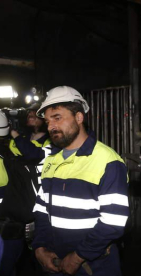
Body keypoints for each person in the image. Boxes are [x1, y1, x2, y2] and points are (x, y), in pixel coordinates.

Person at [32, 86, 129, 275]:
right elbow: (41, 208)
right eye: (47, 121)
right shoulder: (52, 159)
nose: (51, 126)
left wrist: (77, 257)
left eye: (57, 117)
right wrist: (40, 247)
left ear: (79, 117)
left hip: (95, 265)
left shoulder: (107, 161)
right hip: (54, 262)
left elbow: (113, 221)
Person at [0, 110, 37, 276]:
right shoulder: (13, 147)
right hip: (14, 228)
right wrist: (14, 133)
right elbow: (35, 154)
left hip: (5, 229)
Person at [9, 104, 52, 187]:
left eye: (35, 113)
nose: (30, 114)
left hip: (38, 184)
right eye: (29, 113)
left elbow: (33, 154)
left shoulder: (50, 140)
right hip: (18, 184)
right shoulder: (23, 137)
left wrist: (15, 135)